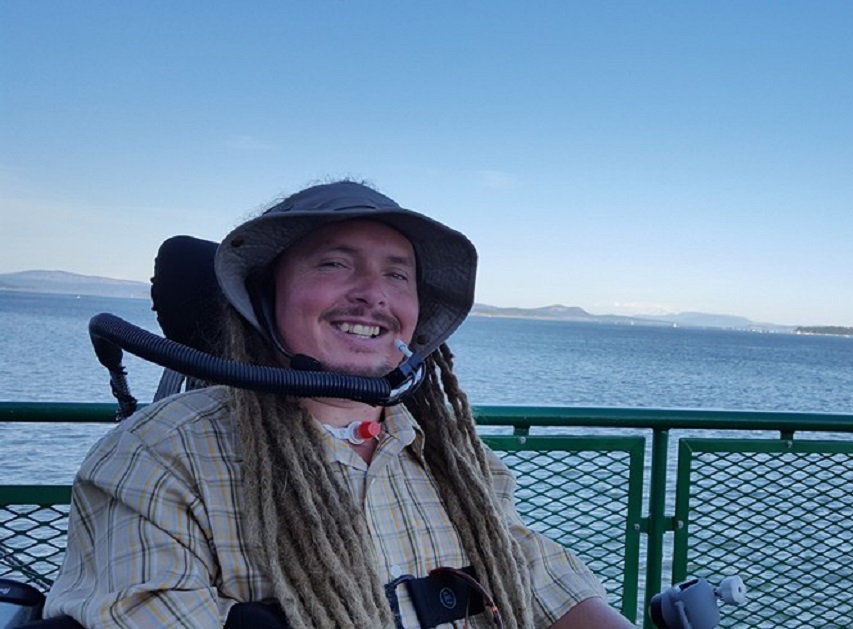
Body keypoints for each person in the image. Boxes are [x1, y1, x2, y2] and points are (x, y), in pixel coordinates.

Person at [42, 180, 633, 629]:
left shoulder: (450, 455)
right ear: (264, 297)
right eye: (334, 263)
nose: (374, 293)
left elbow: (537, 574)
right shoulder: (159, 455)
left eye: (398, 276)